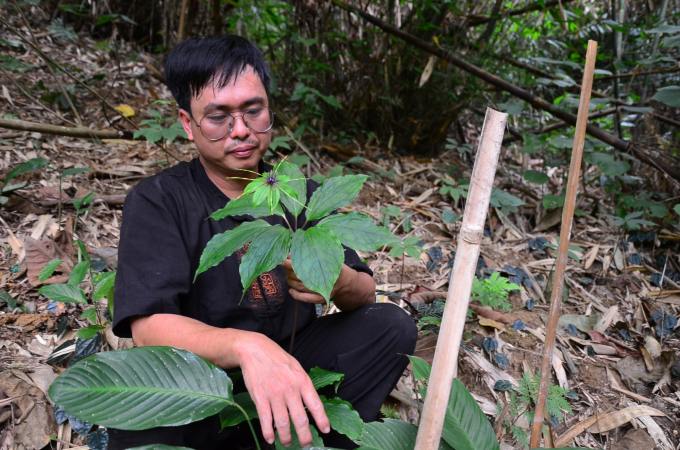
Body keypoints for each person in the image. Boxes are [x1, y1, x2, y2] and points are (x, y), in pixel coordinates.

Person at [110, 34, 417, 450]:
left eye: (253, 111)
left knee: (391, 326)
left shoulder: (297, 192)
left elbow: (363, 293)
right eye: (218, 117)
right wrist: (246, 346)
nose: (241, 131)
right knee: (136, 419)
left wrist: (336, 280)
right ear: (187, 122)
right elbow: (148, 329)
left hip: (294, 364)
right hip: (200, 382)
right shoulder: (158, 200)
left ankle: (314, 438)